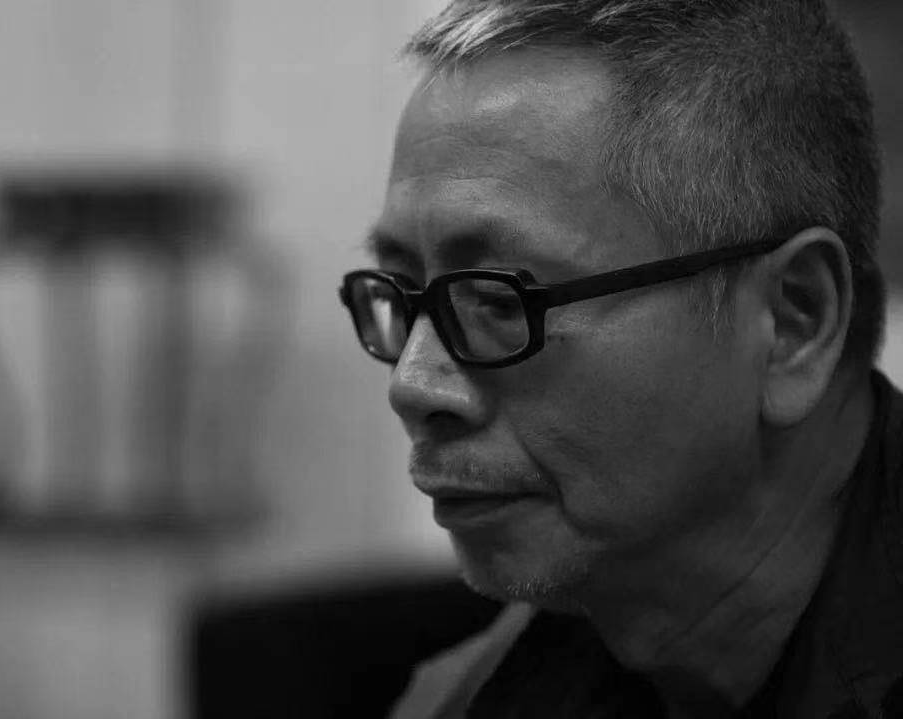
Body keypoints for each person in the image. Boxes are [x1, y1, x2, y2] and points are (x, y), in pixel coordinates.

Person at [338, 1, 903, 716]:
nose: (413, 385)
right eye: (400, 292)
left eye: (501, 301)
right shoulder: (462, 698)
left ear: (795, 321)